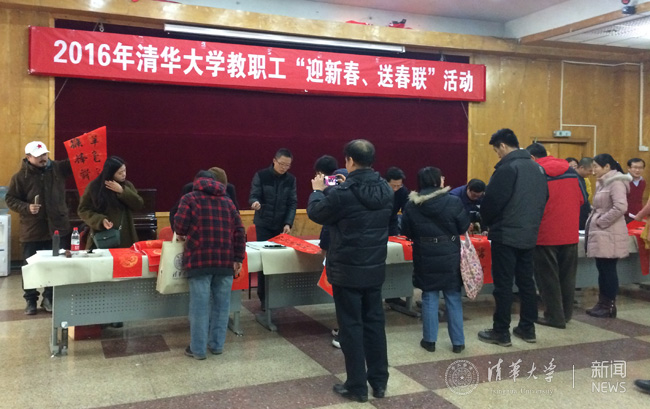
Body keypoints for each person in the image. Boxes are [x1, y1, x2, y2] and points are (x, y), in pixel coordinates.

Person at [307, 139, 392, 402]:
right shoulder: (386, 189)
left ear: (350, 161)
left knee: (351, 327)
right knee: (375, 324)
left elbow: (316, 213)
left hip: (347, 270)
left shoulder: (342, 194)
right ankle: (379, 382)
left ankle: (356, 385)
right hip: (374, 268)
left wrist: (318, 191)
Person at [478, 129, 548, 347]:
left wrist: (486, 222)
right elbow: (544, 198)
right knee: (527, 283)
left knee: (503, 285)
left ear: (503, 145)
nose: (498, 155)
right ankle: (528, 328)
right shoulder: (537, 168)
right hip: (529, 233)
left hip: (506, 234)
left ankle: (501, 332)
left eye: (496, 150)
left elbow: (492, 202)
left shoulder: (508, 168)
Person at [174, 170, 245, 360]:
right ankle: (217, 345)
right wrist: (238, 258)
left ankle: (198, 350)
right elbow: (239, 231)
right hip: (225, 261)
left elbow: (179, 226)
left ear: (196, 182)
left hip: (199, 261)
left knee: (199, 307)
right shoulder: (228, 201)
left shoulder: (189, 198)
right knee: (222, 306)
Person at [402, 167, 470, 353]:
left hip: (424, 253)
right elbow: (463, 226)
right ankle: (458, 343)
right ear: (437, 180)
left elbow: (406, 230)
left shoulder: (412, 205)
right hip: (449, 253)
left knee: (429, 296)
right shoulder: (453, 201)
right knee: (453, 297)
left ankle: (429, 341)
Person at [6, 141, 73, 315]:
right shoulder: (20, 177)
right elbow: (10, 199)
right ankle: (30, 300)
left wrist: (86, 141)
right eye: (38, 156)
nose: (43, 158)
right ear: (28, 157)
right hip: (32, 230)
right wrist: (27, 207)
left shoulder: (58, 168)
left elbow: (77, 160)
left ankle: (49, 298)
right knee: (30, 267)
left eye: (44, 154)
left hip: (56, 228)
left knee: (54, 266)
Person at [526, 143, 585, 329]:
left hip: (545, 233)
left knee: (547, 278)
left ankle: (554, 317)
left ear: (532, 158)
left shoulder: (535, 172)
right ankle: (566, 315)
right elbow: (582, 199)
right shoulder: (571, 171)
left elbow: (530, 203)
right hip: (570, 232)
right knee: (567, 277)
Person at [249, 148, 297, 308]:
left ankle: (277, 297)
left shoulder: (291, 179)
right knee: (265, 261)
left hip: (281, 226)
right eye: (282, 164)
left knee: (281, 261)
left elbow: (292, 203)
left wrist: (288, 223)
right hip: (263, 224)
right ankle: (264, 298)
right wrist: (255, 203)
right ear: (274, 160)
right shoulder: (261, 175)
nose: (284, 168)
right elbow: (254, 195)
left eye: (287, 165)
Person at [585, 154, 631, 319]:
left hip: (610, 232)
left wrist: (601, 221)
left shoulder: (616, 182)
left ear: (607, 167)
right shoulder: (602, 182)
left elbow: (620, 207)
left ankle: (609, 306)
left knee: (608, 270)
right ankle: (602, 303)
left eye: (596, 166)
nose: (593, 170)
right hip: (602, 233)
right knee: (602, 270)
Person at [313, 155, 345, 349]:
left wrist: (324, 246)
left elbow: (326, 219)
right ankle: (345, 329)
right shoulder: (351, 180)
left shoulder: (332, 183)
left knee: (344, 296)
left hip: (341, 250)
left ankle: (344, 334)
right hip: (367, 251)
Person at [78, 156, 144, 250]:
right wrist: (100, 220)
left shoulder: (127, 185)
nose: (124, 174)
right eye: (120, 173)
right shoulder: (94, 187)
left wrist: (122, 191)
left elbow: (139, 204)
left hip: (125, 236)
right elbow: (83, 210)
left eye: (124, 171)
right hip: (101, 237)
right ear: (111, 173)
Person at [169, 166, 238, 231]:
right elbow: (174, 212)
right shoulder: (189, 189)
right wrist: (178, 233)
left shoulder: (230, 189)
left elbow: (236, 217)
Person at [385, 167, 409, 236]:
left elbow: (406, 210)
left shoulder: (403, 191)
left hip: (392, 223)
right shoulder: (379, 190)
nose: (395, 189)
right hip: (378, 222)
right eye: (393, 186)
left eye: (398, 186)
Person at [576, 157, 594, 229]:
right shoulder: (574, 178)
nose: (591, 173)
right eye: (590, 171)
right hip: (578, 214)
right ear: (582, 168)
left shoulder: (582, 178)